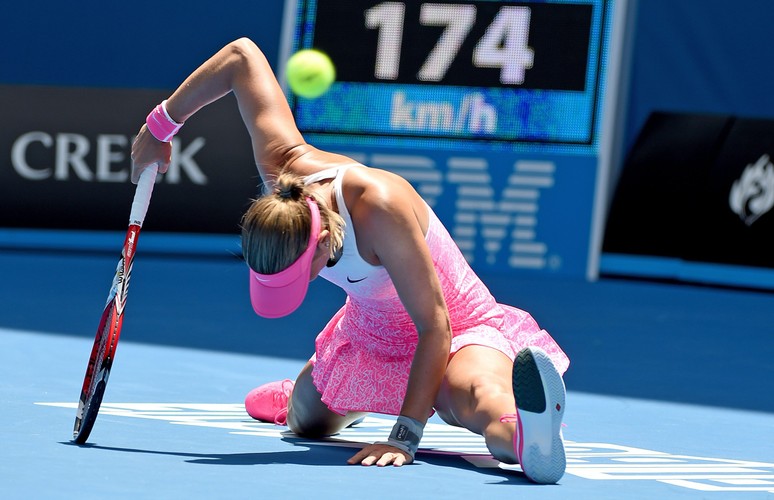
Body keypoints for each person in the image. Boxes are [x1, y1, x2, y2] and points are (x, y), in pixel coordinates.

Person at [131, 38, 570, 483]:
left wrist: (404, 434)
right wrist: (160, 126)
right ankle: (308, 394)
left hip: (453, 327)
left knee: (472, 400)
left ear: (321, 244)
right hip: (371, 329)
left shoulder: (380, 208)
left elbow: (434, 324)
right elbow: (241, 57)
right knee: (307, 422)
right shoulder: (281, 171)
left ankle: (526, 432)